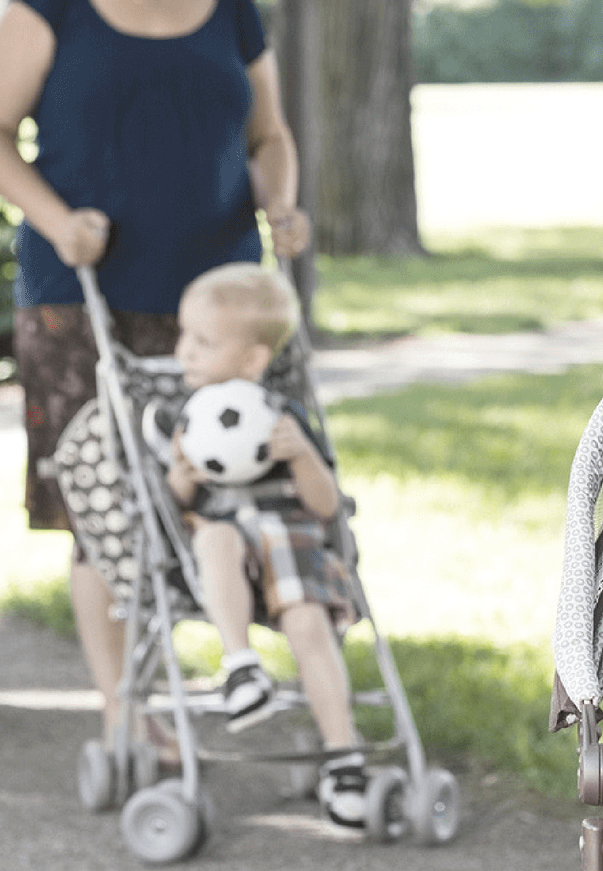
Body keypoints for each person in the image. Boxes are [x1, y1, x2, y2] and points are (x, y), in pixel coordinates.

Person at [0, 0, 311, 747]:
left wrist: (279, 198)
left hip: (219, 308)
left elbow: (269, 135)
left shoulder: (231, 6)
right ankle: (126, 709)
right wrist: (54, 217)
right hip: (82, 302)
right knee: (105, 511)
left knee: (225, 491)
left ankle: (248, 665)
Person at [163, 263, 365, 828]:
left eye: (203, 341)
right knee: (216, 535)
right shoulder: (180, 420)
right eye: (185, 336)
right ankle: (241, 666)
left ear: (253, 360)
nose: (185, 352)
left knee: (310, 628)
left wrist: (300, 453)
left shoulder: (283, 414)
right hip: (222, 557)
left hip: (290, 545)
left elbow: (326, 505)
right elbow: (171, 511)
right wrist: (179, 477)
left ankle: (343, 754)